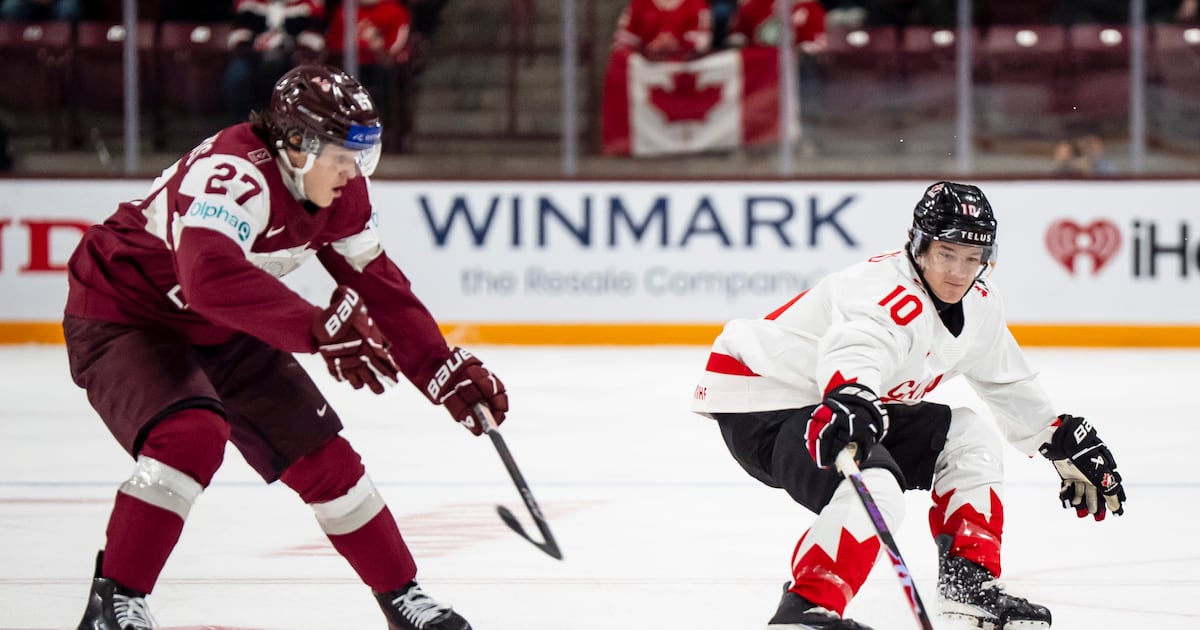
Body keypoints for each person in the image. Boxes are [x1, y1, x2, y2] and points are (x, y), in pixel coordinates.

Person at [65, 63, 507, 630]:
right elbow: (208, 278)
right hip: (127, 313)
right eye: (343, 157)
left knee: (326, 459)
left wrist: (439, 367)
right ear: (297, 144)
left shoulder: (340, 191)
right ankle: (114, 599)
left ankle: (403, 598)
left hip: (222, 326)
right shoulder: (232, 174)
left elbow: (378, 285)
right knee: (189, 434)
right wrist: (316, 328)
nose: (353, 172)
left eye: (362, 157)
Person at [690, 181, 1126, 629]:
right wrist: (852, 394)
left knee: (967, 435)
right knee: (877, 487)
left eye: (973, 258)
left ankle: (967, 583)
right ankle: (805, 610)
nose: (959, 272)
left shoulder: (980, 303)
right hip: (765, 398)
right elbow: (857, 345)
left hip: (834, 396)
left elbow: (1006, 379)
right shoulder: (886, 292)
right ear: (918, 247)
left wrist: (1056, 434)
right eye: (947, 254)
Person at [327, 0, 415, 152]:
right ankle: (343, 135)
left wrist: (379, 49)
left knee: (387, 80)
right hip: (350, 68)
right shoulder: (344, 11)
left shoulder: (395, 10)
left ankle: (385, 136)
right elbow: (334, 43)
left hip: (382, 69)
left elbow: (395, 45)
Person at [223, 0, 326, 124]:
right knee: (237, 72)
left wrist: (291, 50)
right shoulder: (249, 3)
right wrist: (250, 49)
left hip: (291, 58)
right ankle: (242, 125)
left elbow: (314, 37)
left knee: (302, 76)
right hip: (254, 56)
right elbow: (238, 33)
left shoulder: (308, 4)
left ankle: (293, 127)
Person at [612, 0, 714, 61]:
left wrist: (678, 45)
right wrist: (647, 48)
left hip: (683, 73)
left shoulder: (696, 3)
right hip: (646, 70)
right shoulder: (639, 3)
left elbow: (703, 40)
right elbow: (623, 41)